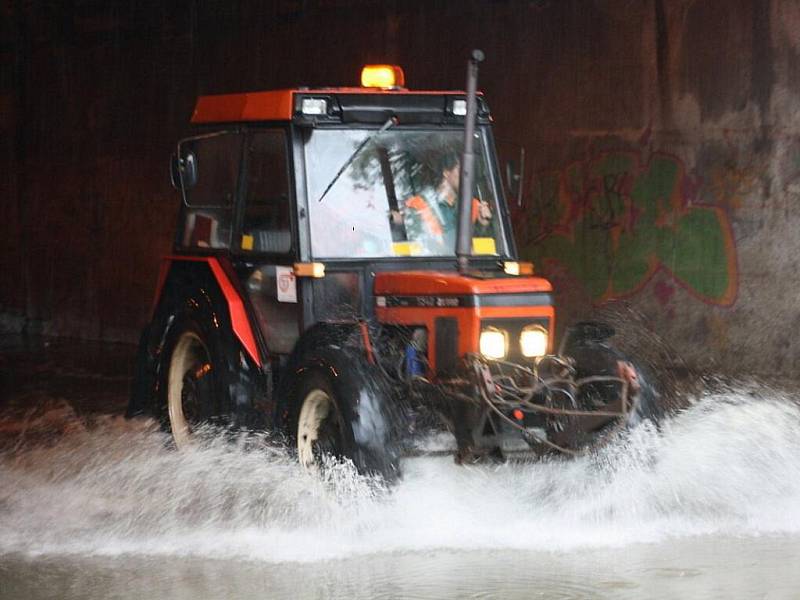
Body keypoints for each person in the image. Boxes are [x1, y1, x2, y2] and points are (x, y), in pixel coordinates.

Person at [401, 153, 493, 253]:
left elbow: (484, 248)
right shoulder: (418, 204)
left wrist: (484, 225)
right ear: (446, 173)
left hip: (466, 266)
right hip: (433, 264)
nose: (466, 177)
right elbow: (415, 244)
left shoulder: (474, 205)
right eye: (461, 171)